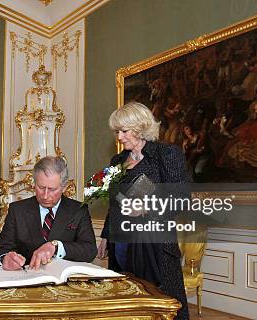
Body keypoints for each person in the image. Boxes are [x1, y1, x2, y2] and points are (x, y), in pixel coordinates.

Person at [97, 102, 189, 320]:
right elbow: (115, 203)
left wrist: (147, 207)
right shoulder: (118, 161)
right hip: (122, 242)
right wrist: (106, 235)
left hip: (154, 243)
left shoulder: (165, 154)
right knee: (128, 299)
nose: (119, 137)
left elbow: (182, 198)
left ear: (140, 128)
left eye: (124, 131)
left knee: (161, 302)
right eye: (116, 131)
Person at [0, 156, 97, 271]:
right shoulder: (17, 210)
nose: (45, 195)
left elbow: (90, 250)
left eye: (52, 189)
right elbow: (2, 251)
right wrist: (5, 259)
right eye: (41, 187)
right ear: (34, 183)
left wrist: (56, 247)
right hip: (27, 279)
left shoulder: (79, 210)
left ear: (64, 187)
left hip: (64, 283)